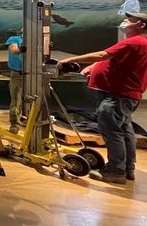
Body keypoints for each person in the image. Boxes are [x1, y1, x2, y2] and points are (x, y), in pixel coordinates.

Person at [57, 12, 147, 184]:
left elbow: (102, 55)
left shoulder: (135, 41)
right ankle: (127, 168)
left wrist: (70, 60)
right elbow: (111, 59)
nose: (125, 21)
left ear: (141, 25)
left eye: (130, 19)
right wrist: (94, 66)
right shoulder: (137, 43)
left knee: (112, 132)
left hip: (117, 97)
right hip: (123, 96)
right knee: (124, 131)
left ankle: (115, 171)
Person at [6, 30, 24, 134]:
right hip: (18, 74)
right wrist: (23, 49)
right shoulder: (14, 39)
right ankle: (14, 124)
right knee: (16, 100)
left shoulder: (37, 40)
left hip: (33, 73)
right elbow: (13, 50)